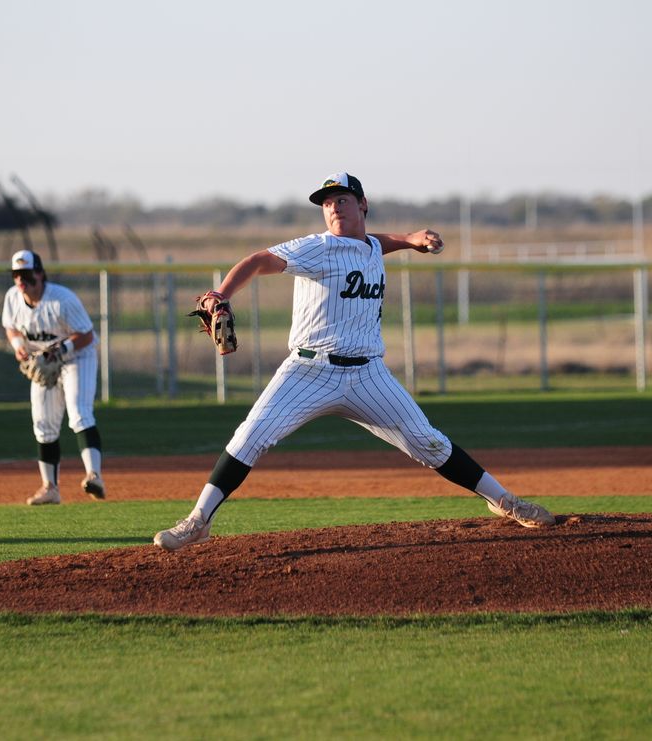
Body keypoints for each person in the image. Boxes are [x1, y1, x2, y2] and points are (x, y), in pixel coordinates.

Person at [154, 173, 555, 550]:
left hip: (367, 375)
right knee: (251, 435)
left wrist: (411, 238)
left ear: (362, 204)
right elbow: (260, 260)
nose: (333, 209)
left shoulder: (372, 246)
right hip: (309, 370)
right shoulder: (317, 247)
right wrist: (220, 294)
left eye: (341, 200)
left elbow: (376, 241)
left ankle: (504, 500)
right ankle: (198, 521)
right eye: (326, 204)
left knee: (428, 442)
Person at [2, 249, 107, 505]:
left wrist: (59, 352)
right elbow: (11, 326)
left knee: (79, 412)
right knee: (43, 423)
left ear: (40, 273)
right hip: (44, 362)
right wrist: (18, 346)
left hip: (77, 357)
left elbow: (87, 336)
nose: (20, 280)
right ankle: (50, 488)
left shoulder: (61, 299)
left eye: (26, 274)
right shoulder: (13, 298)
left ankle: (94, 476)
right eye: (16, 275)